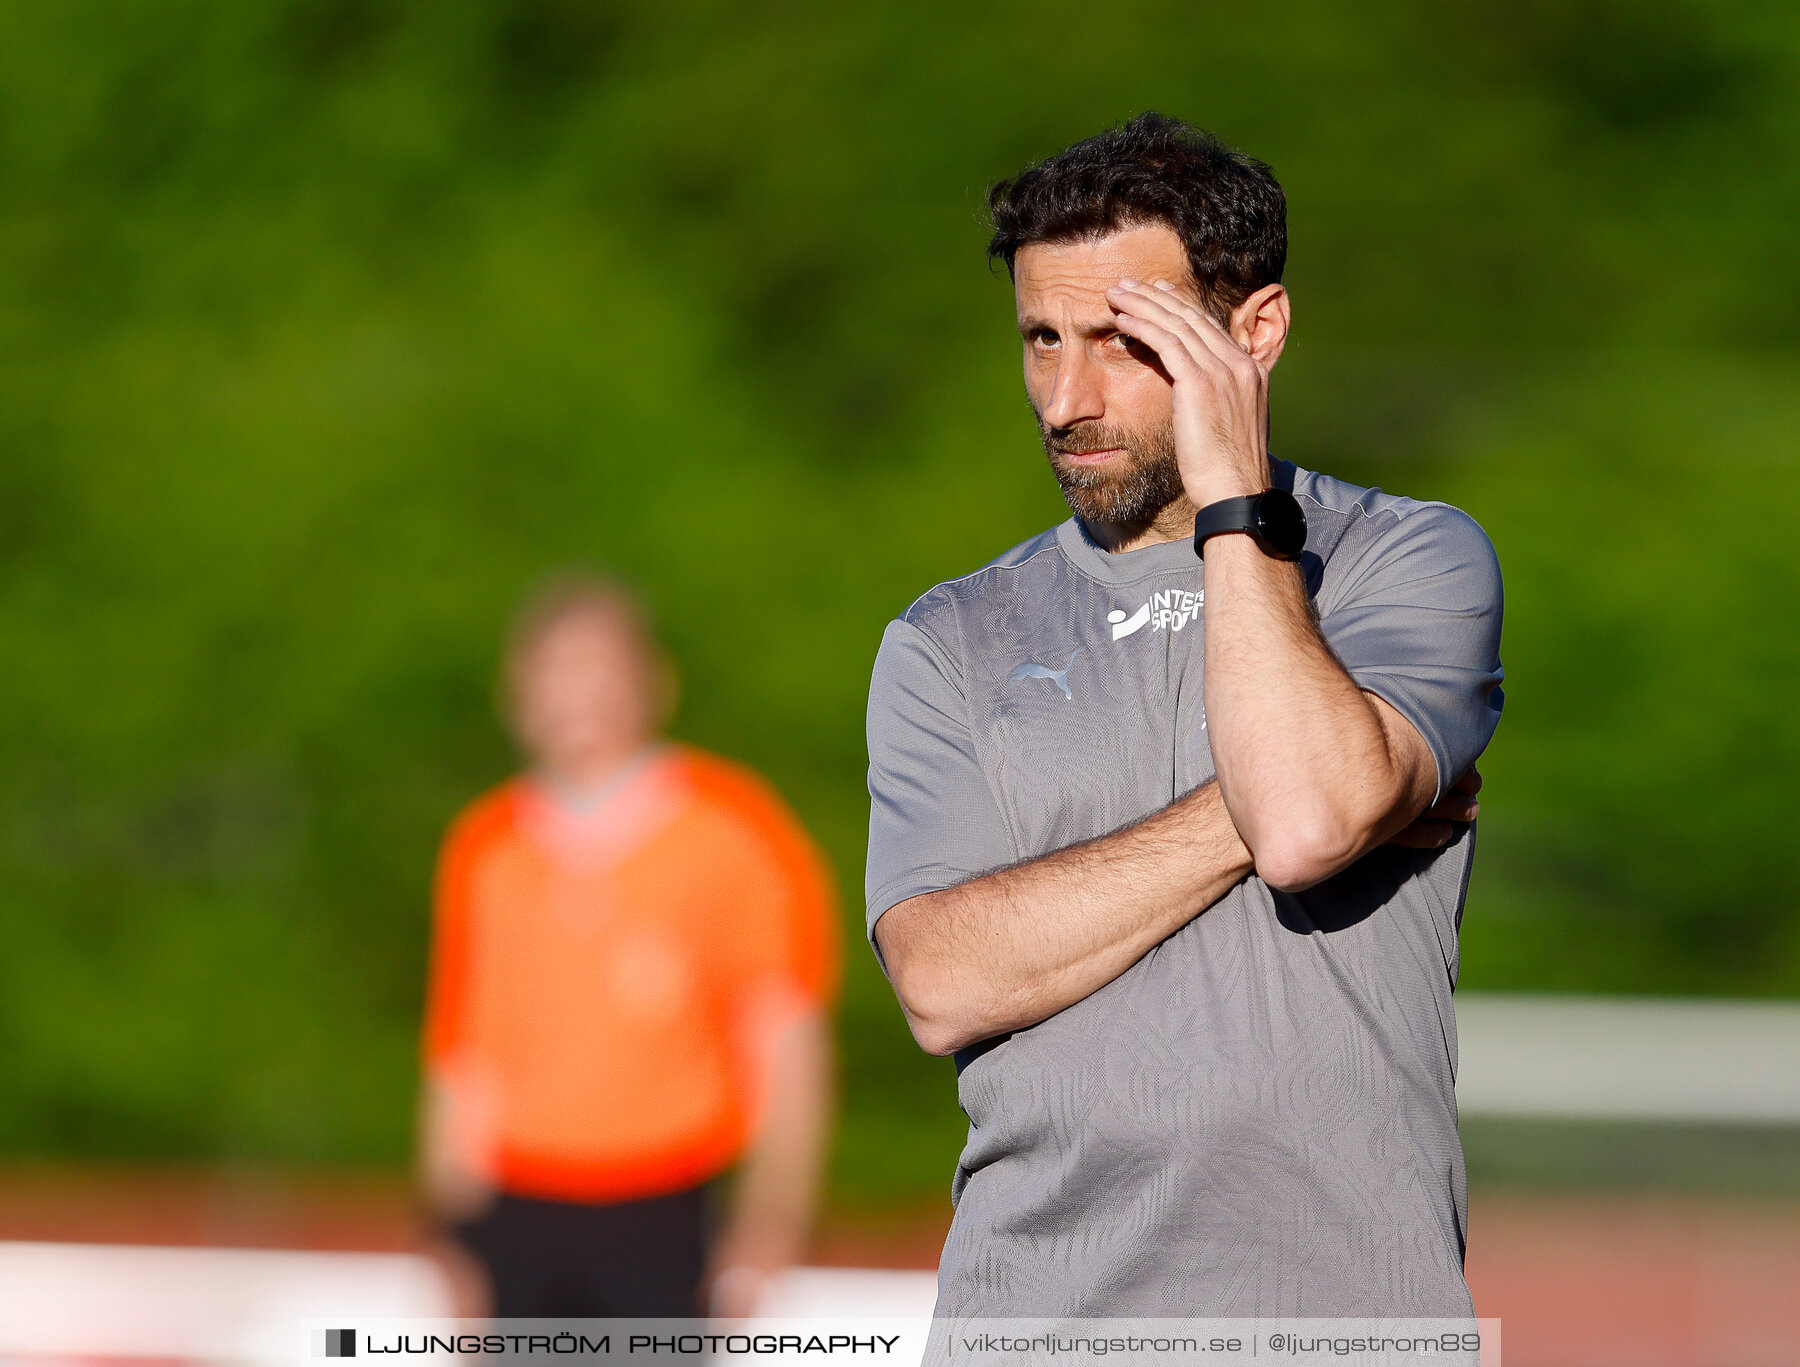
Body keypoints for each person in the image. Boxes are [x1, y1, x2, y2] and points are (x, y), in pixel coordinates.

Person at [865, 114, 1504, 1318]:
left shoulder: (1406, 559)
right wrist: (1249, 806)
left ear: (1252, 331)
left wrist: (1234, 507)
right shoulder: (949, 638)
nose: (1064, 397)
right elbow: (943, 979)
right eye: (1040, 340)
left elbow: (1309, 824)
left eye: (1120, 341)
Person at [420, 576, 838, 1317]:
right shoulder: (484, 850)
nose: (579, 695)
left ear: (652, 682)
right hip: (517, 1209)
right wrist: (448, 1237)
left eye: (600, 668)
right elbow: (464, 1062)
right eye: (556, 671)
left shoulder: (734, 832)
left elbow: (783, 1038)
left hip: (665, 1207)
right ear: (517, 694)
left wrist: (771, 1221)